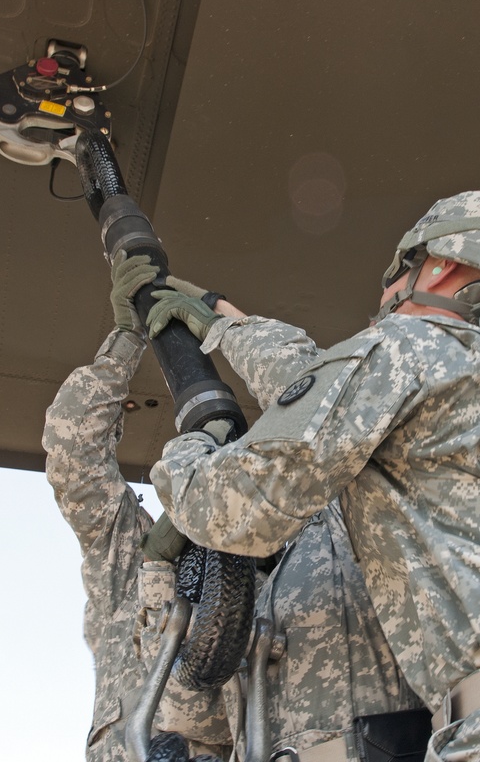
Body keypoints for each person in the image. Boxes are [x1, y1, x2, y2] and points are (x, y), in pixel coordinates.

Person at [145, 190, 480, 761]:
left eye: (396, 273)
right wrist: (226, 324)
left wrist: (193, 446)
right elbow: (321, 389)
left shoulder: (413, 345)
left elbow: (231, 512)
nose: (382, 297)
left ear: (440, 264)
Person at [44, 253, 422, 762]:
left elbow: (330, 423)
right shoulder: (123, 558)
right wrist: (127, 341)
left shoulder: (275, 565)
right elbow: (73, 457)